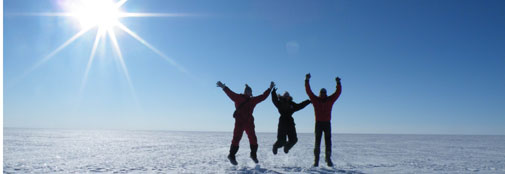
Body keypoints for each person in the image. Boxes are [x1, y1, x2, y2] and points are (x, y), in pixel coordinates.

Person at [217, 81, 275, 165]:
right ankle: (231, 155)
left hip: (249, 122)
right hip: (239, 122)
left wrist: (269, 89)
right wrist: (223, 87)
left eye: (250, 91)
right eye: (247, 91)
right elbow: (230, 93)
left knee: (253, 139)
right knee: (236, 138)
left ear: (251, 93)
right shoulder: (238, 97)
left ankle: (253, 155)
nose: (249, 92)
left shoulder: (253, 100)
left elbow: (263, 96)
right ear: (245, 91)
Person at [304, 73, 342, 167]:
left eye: (324, 92)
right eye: (322, 92)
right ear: (320, 93)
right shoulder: (315, 100)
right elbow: (308, 91)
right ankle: (316, 160)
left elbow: (338, 93)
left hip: (327, 123)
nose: (323, 94)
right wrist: (307, 80)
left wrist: (338, 83)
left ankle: (328, 159)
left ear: (326, 93)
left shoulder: (330, 100)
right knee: (317, 142)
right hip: (318, 123)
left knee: (328, 142)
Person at [271, 88, 311, 155]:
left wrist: (308, 102)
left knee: (294, 139)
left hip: (290, 123)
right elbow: (274, 100)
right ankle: (275, 146)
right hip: (282, 123)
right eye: (285, 96)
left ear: (289, 97)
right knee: (281, 141)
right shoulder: (279, 103)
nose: (287, 97)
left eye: (288, 96)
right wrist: (273, 92)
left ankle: (287, 147)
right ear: (283, 97)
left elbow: (300, 106)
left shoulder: (292, 104)